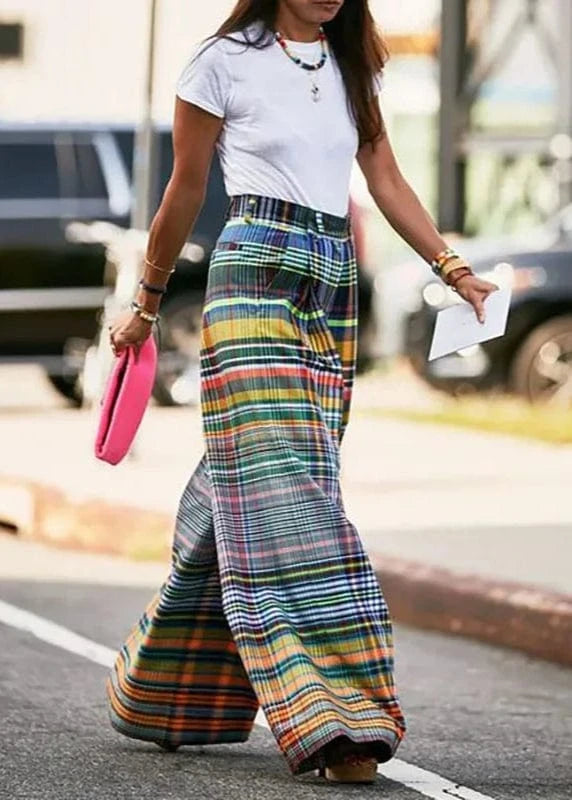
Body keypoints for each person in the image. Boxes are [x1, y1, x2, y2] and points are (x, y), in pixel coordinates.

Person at [107, 0, 497, 785]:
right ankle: (337, 716)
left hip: (331, 282)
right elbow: (184, 192)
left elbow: (383, 174)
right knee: (293, 495)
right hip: (252, 271)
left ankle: (163, 693)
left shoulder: (351, 65)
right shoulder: (218, 62)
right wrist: (145, 305)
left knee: (263, 486)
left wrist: (454, 270)